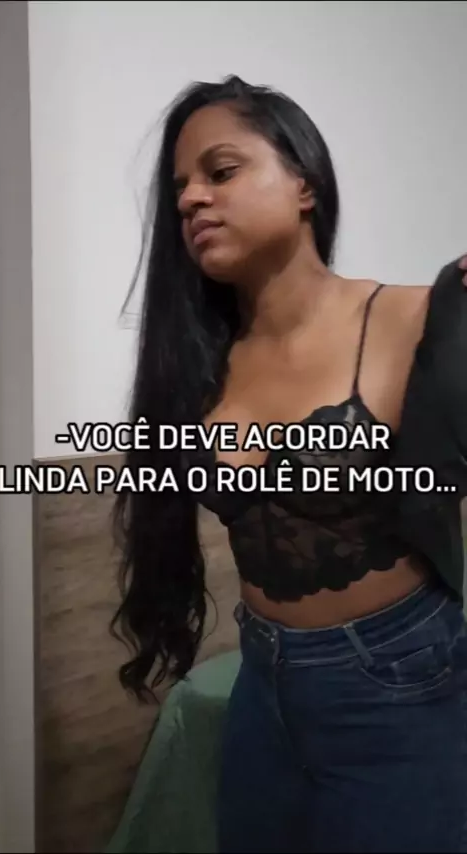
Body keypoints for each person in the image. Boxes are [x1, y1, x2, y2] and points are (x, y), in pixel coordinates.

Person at [111, 75, 467, 853]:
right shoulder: (200, 360)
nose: (190, 199)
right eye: (180, 188)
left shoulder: (420, 315)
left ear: (304, 183)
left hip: (401, 686)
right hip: (262, 683)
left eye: (221, 170)